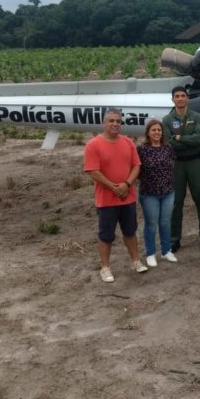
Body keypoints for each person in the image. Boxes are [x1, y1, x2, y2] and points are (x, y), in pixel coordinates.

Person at [83, 108, 147, 283]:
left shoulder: (128, 143)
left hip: (128, 197)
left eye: (118, 121)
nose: (115, 124)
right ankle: (105, 268)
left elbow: (136, 166)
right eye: (111, 121)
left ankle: (135, 261)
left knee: (130, 231)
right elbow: (93, 171)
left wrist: (127, 184)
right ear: (104, 123)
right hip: (106, 201)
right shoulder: (93, 145)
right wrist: (113, 187)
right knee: (106, 235)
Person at [162, 86, 200, 251]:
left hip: (195, 162)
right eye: (177, 96)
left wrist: (179, 138)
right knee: (175, 202)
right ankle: (174, 239)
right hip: (176, 164)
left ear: (187, 98)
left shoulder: (197, 117)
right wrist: (186, 140)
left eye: (182, 96)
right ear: (172, 99)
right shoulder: (167, 120)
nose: (180, 99)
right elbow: (168, 143)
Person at [137, 120, 178, 268]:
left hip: (168, 192)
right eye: (153, 130)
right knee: (151, 224)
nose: (157, 132)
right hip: (149, 193)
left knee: (165, 222)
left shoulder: (168, 148)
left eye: (159, 130)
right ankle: (150, 253)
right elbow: (136, 168)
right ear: (148, 133)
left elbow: (172, 164)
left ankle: (166, 251)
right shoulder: (142, 149)